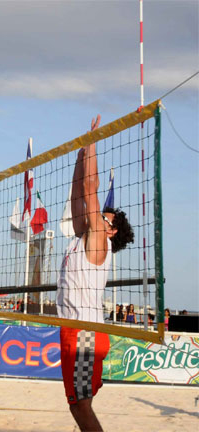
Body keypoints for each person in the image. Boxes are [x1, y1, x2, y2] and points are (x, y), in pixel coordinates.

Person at [56, 115, 134, 432]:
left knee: (80, 406)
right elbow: (78, 194)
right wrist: (79, 156)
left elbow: (90, 190)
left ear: (112, 232)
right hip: (75, 330)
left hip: (85, 333)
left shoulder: (99, 242)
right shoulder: (82, 236)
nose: (97, 216)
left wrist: (94, 143)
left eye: (104, 217)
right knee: (78, 404)